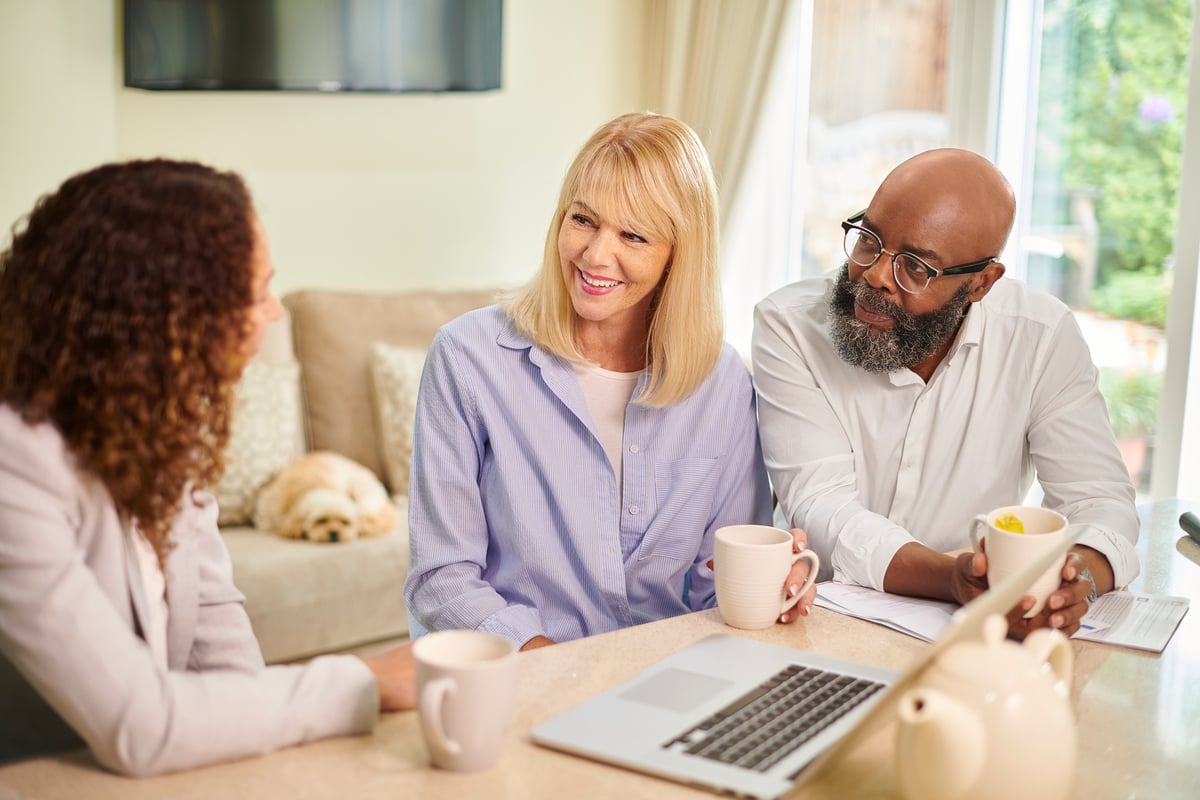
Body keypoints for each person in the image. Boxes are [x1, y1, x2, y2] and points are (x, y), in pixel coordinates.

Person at [0, 159, 416, 775]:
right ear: (164, 314)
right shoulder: (16, 461)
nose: (273, 313)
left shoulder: (159, 420)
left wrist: (254, 758)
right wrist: (364, 681)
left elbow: (214, 624)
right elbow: (140, 725)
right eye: (255, 293)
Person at [404, 111, 804, 651]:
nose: (595, 255)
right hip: (526, 678)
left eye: (633, 235)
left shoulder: (723, 382)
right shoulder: (467, 358)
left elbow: (717, 589)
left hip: (671, 679)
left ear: (678, 256)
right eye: (584, 220)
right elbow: (442, 576)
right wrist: (550, 667)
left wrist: (771, 588)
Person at [752, 148, 1140, 639]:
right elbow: (821, 504)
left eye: (915, 267)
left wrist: (1069, 585)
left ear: (981, 283)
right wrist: (953, 579)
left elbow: (1100, 500)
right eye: (869, 240)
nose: (874, 275)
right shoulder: (789, 326)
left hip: (977, 640)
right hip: (818, 624)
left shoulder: (1040, 337)